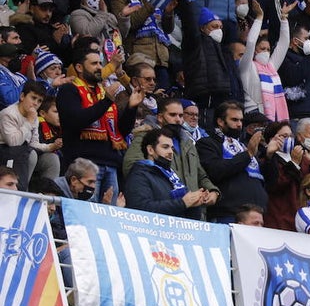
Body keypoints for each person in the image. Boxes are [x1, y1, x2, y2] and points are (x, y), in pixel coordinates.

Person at [57, 50, 142, 203]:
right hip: (84, 164)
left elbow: (121, 131)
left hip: (111, 164)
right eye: (94, 63)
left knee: (109, 217)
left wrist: (131, 107)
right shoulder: (69, 90)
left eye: (100, 63)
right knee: (88, 214)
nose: (99, 67)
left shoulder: (103, 93)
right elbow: (77, 120)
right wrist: (107, 101)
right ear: (79, 67)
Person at [123, 97, 218, 219]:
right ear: (160, 117)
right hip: (160, 213)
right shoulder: (146, 137)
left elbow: (201, 175)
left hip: (189, 215)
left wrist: (212, 191)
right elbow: (132, 167)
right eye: (173, 115)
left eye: (181, 115)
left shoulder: (188, 144)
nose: (178, 120)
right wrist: (165, 193)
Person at [196, 99, 269, 222]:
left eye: (241, 120)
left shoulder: (244, 146)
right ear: (220, 121)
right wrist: (248, 154)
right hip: (227, 214)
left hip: (256, 215)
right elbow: (215, 171)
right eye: (234, 120)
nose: (240, 124)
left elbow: (267, 181)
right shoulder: (207, 143)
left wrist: (269, 157)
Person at [123, 128, 211, 216]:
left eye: (172, 148)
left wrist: (194, 205)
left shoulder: (172, 177)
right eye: (165, 147)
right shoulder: (139, 175)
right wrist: (183, 203)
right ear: (150, 150)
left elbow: (189, 217)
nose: (170, 152)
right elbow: (140, 209)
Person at [0, 79, 61, 187]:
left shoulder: (34, 117)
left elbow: (33, 143)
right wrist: (28, 121)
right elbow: (13, 142)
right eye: (33, 98)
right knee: (30, 154)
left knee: (52, 159)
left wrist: (51, 146)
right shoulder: (8, 114)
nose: (35, 103)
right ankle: (22, 192)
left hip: (23, 152)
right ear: (22, 96)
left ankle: (46, 194)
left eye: (39, 101)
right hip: (4, 152)